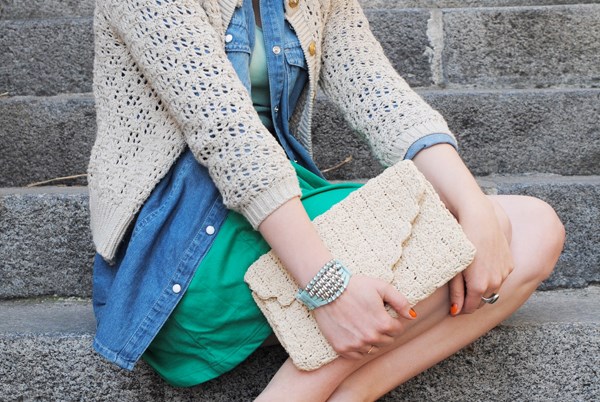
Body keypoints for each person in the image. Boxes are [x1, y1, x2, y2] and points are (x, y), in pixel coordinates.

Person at [88, 0, 566, 400]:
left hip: (283, 212)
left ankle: (349, 394)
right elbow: (229, 138)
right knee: (485, 228)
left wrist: (474, 205)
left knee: (534, 229)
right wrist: (327, 287)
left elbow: (382, 98)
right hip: (186, 244)